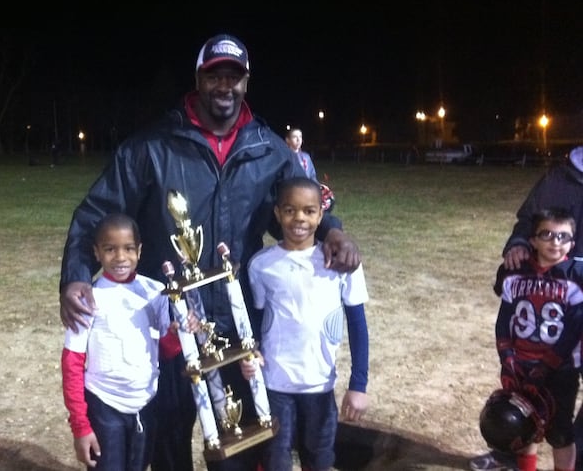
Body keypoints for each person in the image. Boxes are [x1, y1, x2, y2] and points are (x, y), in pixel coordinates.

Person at [58, 33, 361, 471]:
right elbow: (96, 214)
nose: (225, 85)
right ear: (198, 80)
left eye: (233, 77)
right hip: (170, 327)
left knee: (240, 443)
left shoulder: (269, 149)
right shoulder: (152, 146)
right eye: (214, 75)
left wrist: (333, 229)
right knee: (167, 444)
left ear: (246, 83)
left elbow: (300, 205)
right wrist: (75, 276)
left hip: (237, 325)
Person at [241, 176, 369, 471]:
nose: (299, 218)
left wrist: (358, 385)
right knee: (276, 459)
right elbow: (257, 320)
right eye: (290, 210)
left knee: (320, 458)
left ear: (321, 216)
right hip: (275, 384)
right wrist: (253, 352)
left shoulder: (341, 264)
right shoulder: (261, 265)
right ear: (277, 213)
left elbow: (358, 326)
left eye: (309, 211)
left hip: (320, 385)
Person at [470, 145, 583, 471]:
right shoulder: (560, 177)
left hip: (569, 314)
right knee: (528, 405)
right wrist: (519, 244)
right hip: (554, 297)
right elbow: (529, 221)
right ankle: (510, 455)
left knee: (562, 426)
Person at [60, 213, 199, 470]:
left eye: (128, 248)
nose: (120, 257)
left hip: (145, 404)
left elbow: (165, 350)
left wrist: (181, 333)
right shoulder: (89, 298)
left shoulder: (155, 291)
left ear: (140, 250)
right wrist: (80, 425)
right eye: (110, 249)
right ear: (96, 252)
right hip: (104, 405)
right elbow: (72, 362)